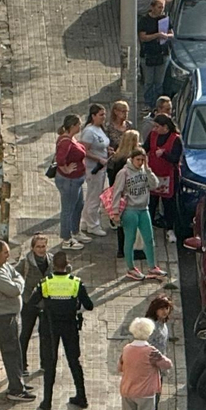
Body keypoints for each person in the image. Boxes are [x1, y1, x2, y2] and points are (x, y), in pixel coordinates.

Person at [26, 251, 94, 410]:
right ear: (67, 265)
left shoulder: (46, 283)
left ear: (53, 266)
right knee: (74, 362)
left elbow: (31, 303)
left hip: (50, 326)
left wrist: (46, 305)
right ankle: (81, 397)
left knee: (50, 364)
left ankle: (47, 402)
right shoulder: (76, 283)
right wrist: (76, 310)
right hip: (70, 326)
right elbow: (89, 305)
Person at [0, 240, 36, 402]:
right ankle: (15, 389)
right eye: (5, 253)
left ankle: (18, 382)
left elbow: (17, 275)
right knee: (10, 352)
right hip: (3, 318)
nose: (8, 256)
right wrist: (19, 283)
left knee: (16, 350)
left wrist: (18, 281)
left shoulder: (3, 266)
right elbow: (15, 289)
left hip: (11, 315)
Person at [118, 317, 171, 410]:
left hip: (127, 390)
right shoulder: (151, 351)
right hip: (145, 393)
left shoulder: (127, 349)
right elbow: (167, 364)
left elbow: (120, 367)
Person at [111, 147, 164, 279]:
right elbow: (116, 193)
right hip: (130, 210)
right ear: (132, 159)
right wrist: (115, 212)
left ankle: (152, 266)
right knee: (130, 239)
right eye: (138, 160)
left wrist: (148, 170)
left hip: (143, 208)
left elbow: (154, 185)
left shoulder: (144, 171)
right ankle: (130, 268)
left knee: (149, 238)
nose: (140, 162)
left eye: (142, 159)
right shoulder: (124, 173)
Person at [52, 115, 89, 250]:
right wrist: (66, 169)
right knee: (68, 209)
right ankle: (66, 239)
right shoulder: (66, 141)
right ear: (73, 126)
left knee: (79, 205)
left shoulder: (69, 138)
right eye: (79, 124)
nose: (80, 127)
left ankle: (75, 231)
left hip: (76, 180)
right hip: (69, 181)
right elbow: (60, 159)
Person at [146, 114, 184, 241]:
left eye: (157, 126)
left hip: (169, 176)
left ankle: (170, 229)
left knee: (169, 204)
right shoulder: (152, 135)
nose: (155, 129)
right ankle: (148, 227)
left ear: (165, 127)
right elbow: (145, 148)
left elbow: (175, 159)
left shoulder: (175, 139)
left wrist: (163, 154)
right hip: (153, 174)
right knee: (151, 202)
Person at [17, 234, 53, 369]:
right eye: (38, 247)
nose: (41, 249)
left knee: (45, 335)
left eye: (43, 246)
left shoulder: (52, 260)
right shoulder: (25, 262)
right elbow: (14, 274)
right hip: (29, 302)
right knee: (25, 333)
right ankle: (22, 364)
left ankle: (45, 364)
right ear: (32, 248)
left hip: (46, 303)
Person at [78, 104, 112, 238]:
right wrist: (98, 158)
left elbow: (101, 145)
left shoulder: (99, 129)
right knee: (94, 196)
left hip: (101, 168)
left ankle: (87, 221)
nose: (104, 117)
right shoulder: (89, 131)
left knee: (92, 196)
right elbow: (84, 150)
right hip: (94, 169)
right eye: (101, 115)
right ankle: (93, 224)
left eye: (104, 114)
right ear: (93, 116)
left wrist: (107, 151)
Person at [145, 295, 176, 410]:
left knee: (156, 398)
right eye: (162, 308)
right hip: (151, 368)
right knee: (150, 399)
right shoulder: (151, 326)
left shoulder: (163, 323)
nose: (165, 311)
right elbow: (147, 348)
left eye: (167, 308)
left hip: (159, 368)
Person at [139, 0, 174, 108]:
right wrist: (157, 35)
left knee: (159, 82)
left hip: (162, 54)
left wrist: (166, 36)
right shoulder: (144, 20)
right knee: (149, 82)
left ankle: (158, 105)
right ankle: (148, 104)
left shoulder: (165, 19)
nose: (161, 10)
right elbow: (143, 37)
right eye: (159, 7)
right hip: (148, 55)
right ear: (152, 7)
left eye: (162, 7)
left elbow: (171, 34)